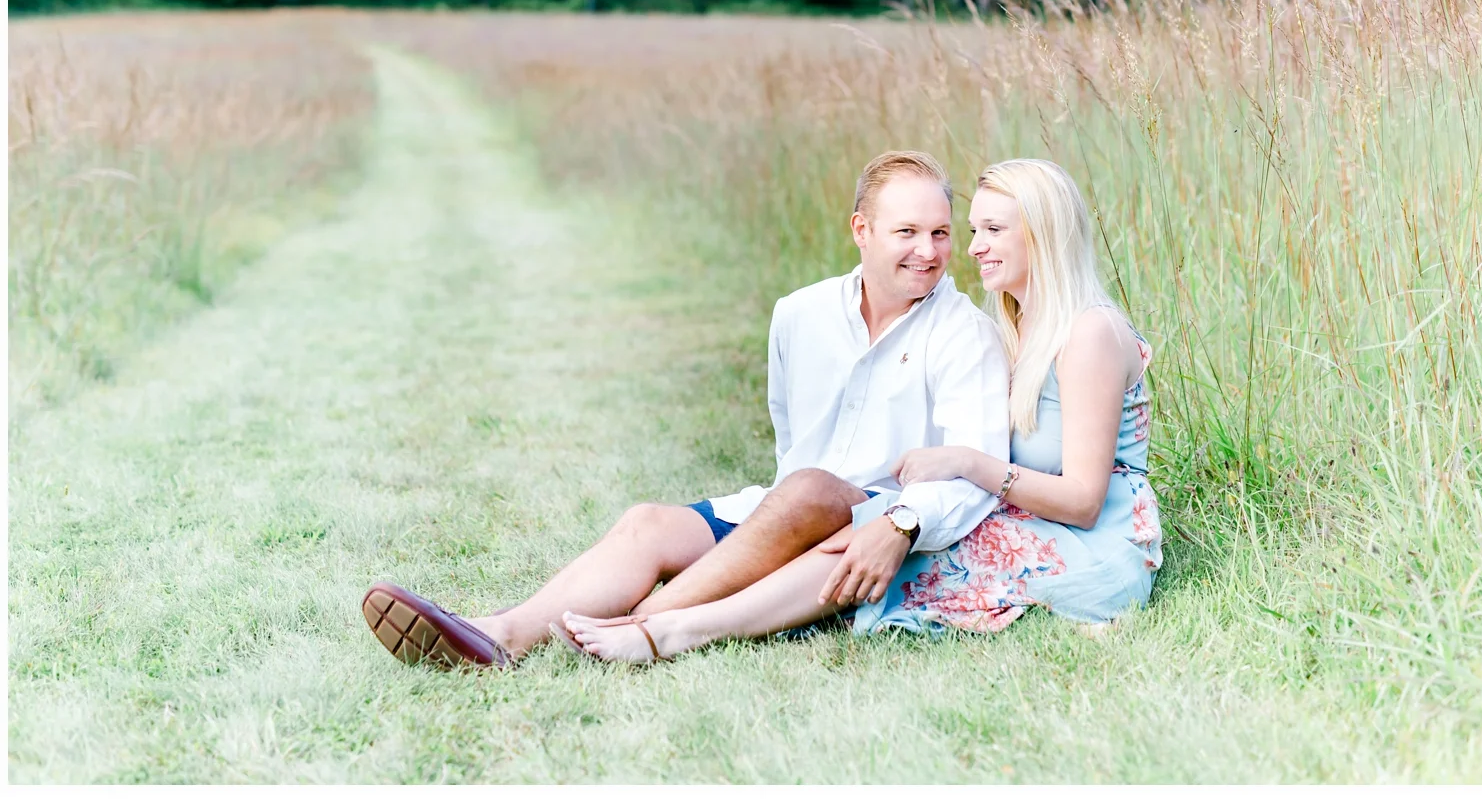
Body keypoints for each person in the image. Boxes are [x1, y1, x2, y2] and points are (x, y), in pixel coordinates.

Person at [361, 150, 1010, 668]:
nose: (928, 251)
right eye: (907, 232)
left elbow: (972, 474)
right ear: (861, 231)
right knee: (648, 523)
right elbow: (791, 440)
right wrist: (772, 526)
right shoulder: (800, 314)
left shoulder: (964, 334)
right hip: (785, 510)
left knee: (811, 489)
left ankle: (644, 624)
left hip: (875, 531)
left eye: (940, 233)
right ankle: (498, 633)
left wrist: (900, 522)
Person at [559, 158, 1163, 664]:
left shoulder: (1089, 332)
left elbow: (1084, 502)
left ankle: (672, 630)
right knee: (868, 530)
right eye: (973, 229)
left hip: (1094, 541)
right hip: (1025, 515)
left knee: (874, 542)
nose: (972, 247)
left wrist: (968, 463)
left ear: (1044, 233)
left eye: (992, 230)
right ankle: (658, 621)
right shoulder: (1016, 324)